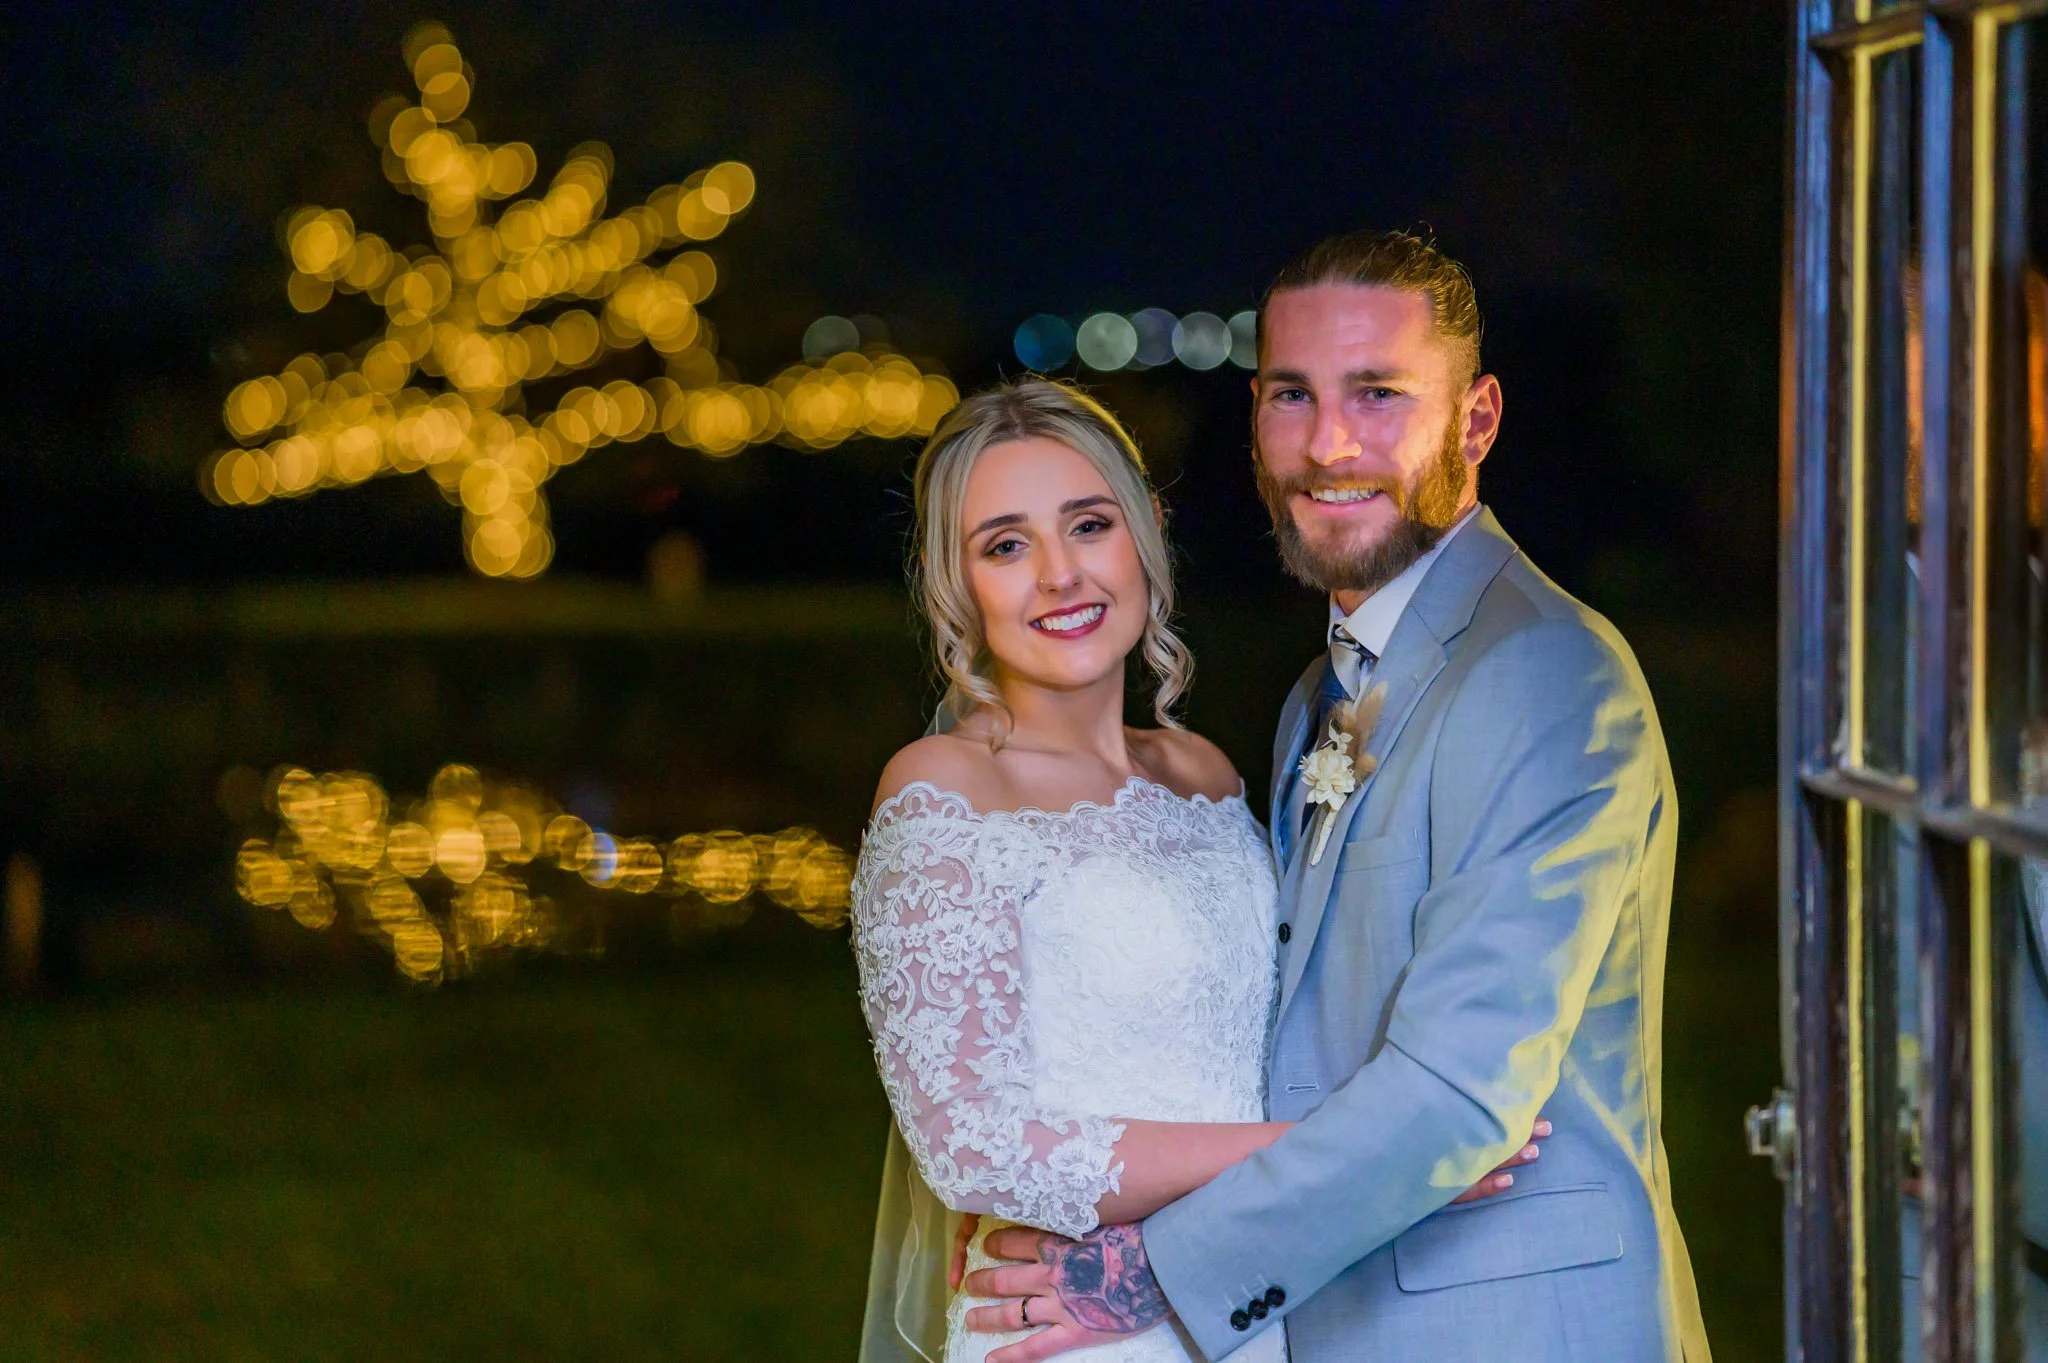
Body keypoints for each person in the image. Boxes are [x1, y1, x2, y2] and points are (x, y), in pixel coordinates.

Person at [959, 230, 1710, 1360]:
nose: (1327, 445)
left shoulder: (1546, 673)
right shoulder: (1317, 695)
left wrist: (1148, 1273)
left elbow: (1459, 1095)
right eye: (1290, 397)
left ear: (1476, 419)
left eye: (1376, 394)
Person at [850, 377, 1538, 1363]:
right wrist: (1350, 1156)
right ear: (950, 583)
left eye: (1086, 525)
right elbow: (974, 1142)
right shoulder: (944, 789)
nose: (1057, 574)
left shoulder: (1204, 774)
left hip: (1243, 1303)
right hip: (1068, 1326)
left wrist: (1421, 1117)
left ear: (1142, 536)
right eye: (1005, 545)